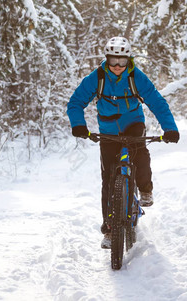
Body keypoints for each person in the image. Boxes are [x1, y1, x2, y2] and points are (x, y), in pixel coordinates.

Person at [67, 36, 179, 249]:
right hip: (108, 131)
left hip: (133, 125)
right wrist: (78, 125)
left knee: (140, 155)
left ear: (129, 60)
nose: (117, 66)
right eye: (113, 61)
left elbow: (157, 102)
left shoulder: (136, 77)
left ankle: (145, 189)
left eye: (122, 62)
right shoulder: (97, 78)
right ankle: (109, 230)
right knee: (108, 179)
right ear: (106, 59)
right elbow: (75, 103)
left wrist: (170, 128)